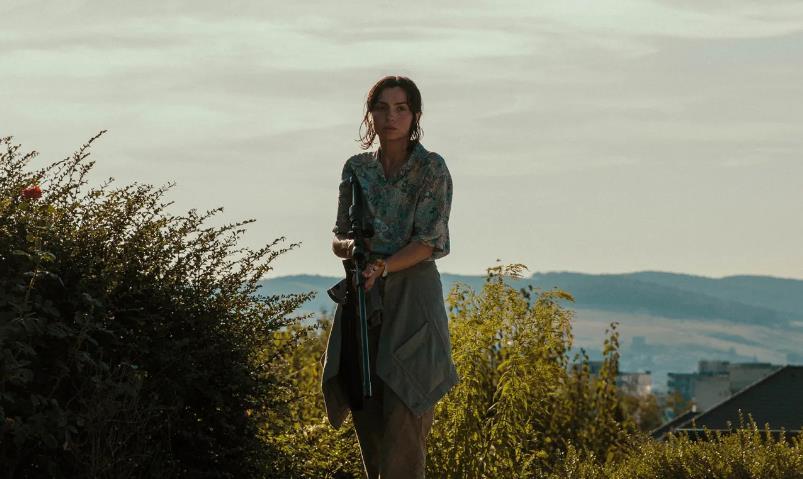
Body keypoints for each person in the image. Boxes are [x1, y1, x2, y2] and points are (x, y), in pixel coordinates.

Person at [321, 75, 459, 479]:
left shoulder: (431, 168)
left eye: (400, 108)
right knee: (368, 420)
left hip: (413, 301)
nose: (391, 117)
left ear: (415, 115)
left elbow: (428, 242)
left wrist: (383, 266)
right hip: (363, 299)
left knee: (405, 416)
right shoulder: (356, 168)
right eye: (381, 108)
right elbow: (339, 235)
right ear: (371, 115)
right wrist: (354, 251)